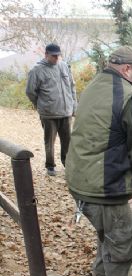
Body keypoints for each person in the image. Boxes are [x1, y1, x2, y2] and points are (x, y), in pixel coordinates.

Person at [65, 45, 132, 276]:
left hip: (79, 180)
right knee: (126, 243)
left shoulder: (93, 85)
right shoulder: (131, 97)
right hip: (103, 186)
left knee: (108, 234)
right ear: (127, 69)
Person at [26, 43, 77, 176]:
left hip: (66, 112)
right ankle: (50, 166)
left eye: (58, 56)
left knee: (67, 141)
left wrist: (74, 106)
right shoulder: (36, 70)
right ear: (46, 55)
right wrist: (41, 105)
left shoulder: (64, 66)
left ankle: (68, 164)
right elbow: (30, 92)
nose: (56, 58)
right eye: (53, 56)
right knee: (49, 141)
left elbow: (72, 87)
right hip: (48, 114)